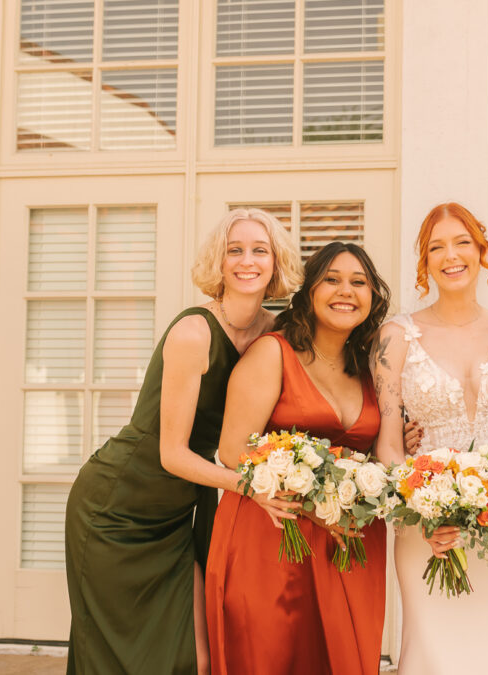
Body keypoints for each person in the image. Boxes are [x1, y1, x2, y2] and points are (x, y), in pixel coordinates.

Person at [64, 208, 302, 674]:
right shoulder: (193, 331)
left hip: (179, 512)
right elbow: (171, 453)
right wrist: (250, 487)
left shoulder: (275, 332)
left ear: (276, 262)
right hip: (118, 506)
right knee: (116, 654)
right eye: (235, 250)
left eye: (260, 250)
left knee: (197, 655)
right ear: (219, 261)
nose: (247, 261)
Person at [372, 202, 488, 674]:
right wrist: (418, 510)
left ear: (481, 251)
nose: (451, 256)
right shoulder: (397, 337)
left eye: (462, 242)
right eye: (436, 247)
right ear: (424, 262)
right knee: (437, 650)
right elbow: (388, 443)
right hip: (426, 525)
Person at [205, 242, 391, 675]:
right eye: (332, 279)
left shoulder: (368, 367)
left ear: (372, 297)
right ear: (308, 291)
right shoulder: (273, 352)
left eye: (359, 282)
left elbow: (370, 450)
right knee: (272, 655)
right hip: (273, 535)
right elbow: (232, 450)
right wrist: (312, 502)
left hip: (347, 544)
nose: (346, 291)